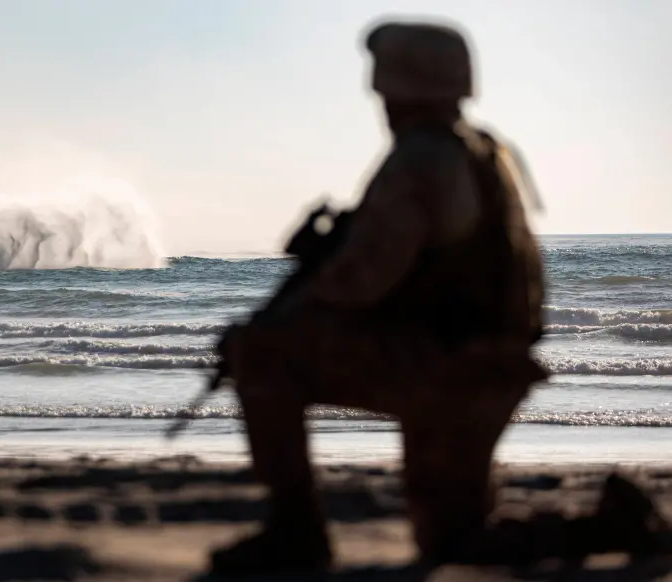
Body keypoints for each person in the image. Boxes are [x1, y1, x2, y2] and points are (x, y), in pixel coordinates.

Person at [209, 18, 549, 574]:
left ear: (398, 86)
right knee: (455, 542)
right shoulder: (485, 154)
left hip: (445, 370)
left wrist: (287, 309)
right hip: (488, 371)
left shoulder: (421, 159)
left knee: (262, 351)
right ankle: (609, 526)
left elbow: (361, 282)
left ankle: (296, 534)